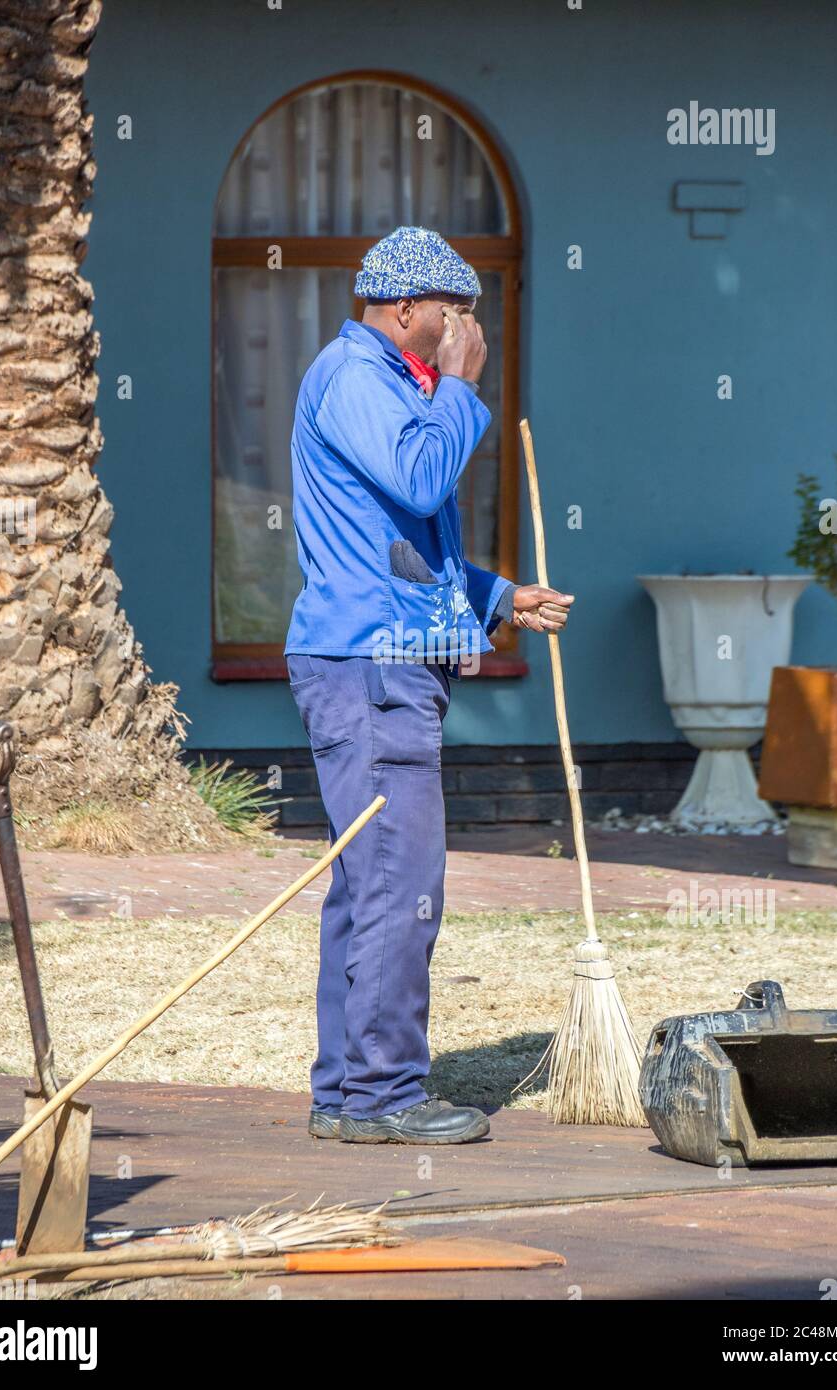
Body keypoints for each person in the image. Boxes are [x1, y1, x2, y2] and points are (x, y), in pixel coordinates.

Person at [286, 225, 573, 1144]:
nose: (467, 330)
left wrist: (494, 596)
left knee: (368, 884)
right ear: (404, 308)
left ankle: (347, 1094)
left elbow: (406, 541)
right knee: (399, 882)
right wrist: (462, 387)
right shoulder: (358, 377)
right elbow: (418, 475)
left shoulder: (392, 383)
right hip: (370, 669)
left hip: (385, 659)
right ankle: (383, 1095)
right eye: (455, 312)